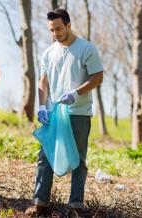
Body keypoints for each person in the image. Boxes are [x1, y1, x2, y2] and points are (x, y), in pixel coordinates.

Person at [25, 8, 104, 217]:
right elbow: (43, 82)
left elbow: (98, 77)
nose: (55, 34)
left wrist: (76, 93)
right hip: (53, 113)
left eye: (58, 28)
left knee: (78, 159)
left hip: (78, 112)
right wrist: (42, 106)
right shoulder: (49, 53)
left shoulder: (86, 49)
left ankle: (76, 205)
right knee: (45, 157)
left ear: (69, 25)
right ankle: (40, 203)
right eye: (51, 30)